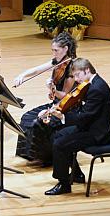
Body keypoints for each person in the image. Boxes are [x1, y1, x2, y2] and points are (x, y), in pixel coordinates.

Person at [43, 58, 110, 195]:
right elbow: (83, 113)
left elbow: (85, 117)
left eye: (77, 75)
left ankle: (64, 184)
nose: (75, 79)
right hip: (88, 127)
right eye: (74, 76)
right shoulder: (90, 84)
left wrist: (62, 116)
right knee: (57, 135)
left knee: (60, 144)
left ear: (87, 70)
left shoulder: (97, 89)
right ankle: (77, 174)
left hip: (97, 134)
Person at [14, 32, 77, 166]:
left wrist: (52, 88)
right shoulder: (57, 62)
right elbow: (37, 70)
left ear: (66, 49)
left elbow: (66, 95)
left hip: (66, 108)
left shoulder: (71, 68)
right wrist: (22, 75)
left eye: (56, 50)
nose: (54, 53)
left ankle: (46, 156)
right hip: (56, 103)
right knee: (26, 117)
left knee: (39, 121)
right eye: (52, 50)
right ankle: (30, 154)